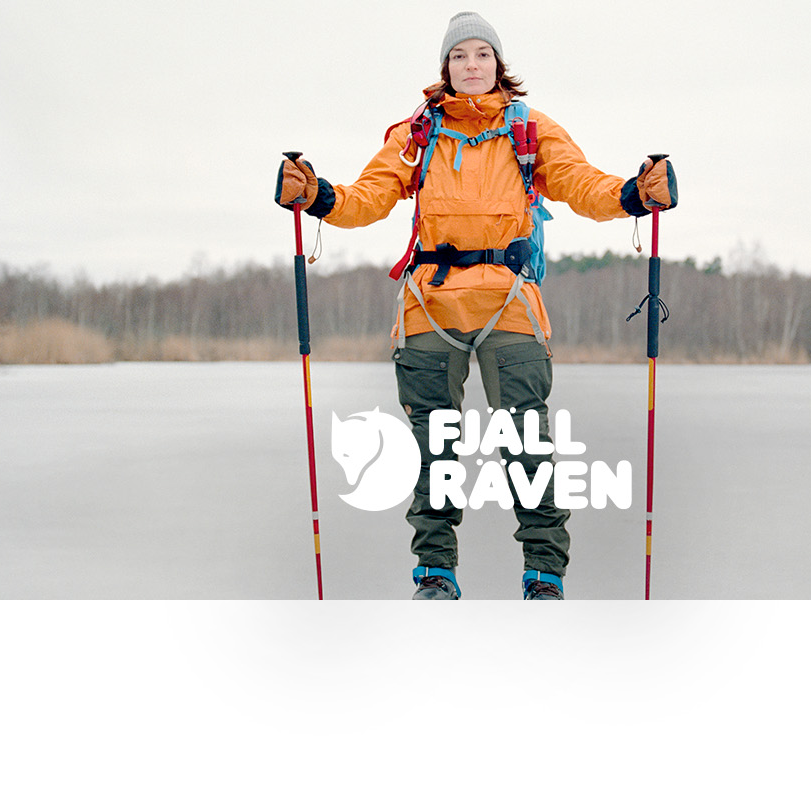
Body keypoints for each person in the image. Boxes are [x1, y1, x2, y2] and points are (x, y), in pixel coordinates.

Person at [276, 11, 677, 600]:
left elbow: (580, 183)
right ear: (446, 66)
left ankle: (544, 574)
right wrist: (316, 193)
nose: (471, 65)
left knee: (526, 441)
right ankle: (435, 573)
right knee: (432, 444)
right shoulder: (417, 134)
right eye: (459, 56)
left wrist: (634, 193)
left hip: (510, 303)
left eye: (481, 55)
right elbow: (368, 198)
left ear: (498, 64)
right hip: (430, 303)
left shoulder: (531, 130)